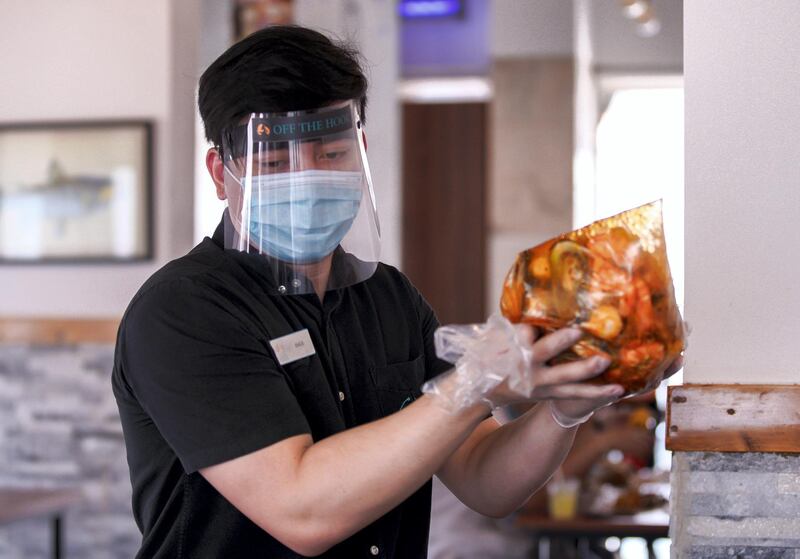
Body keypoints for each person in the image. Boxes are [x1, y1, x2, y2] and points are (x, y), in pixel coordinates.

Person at [111, 25, 681, 558]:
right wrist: (473, 383)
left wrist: (563, 411)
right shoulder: (183, 311)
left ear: (359, 156)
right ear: (220, 172)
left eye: (330, 154)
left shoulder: (389, 298)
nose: (307, 179)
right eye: (276, 162)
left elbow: (485, 479)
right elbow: (302, 510)